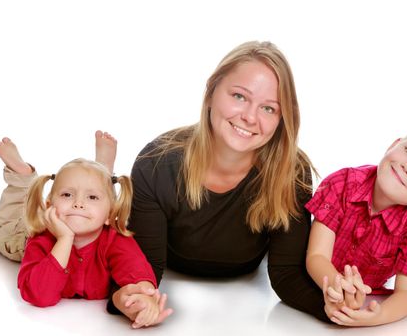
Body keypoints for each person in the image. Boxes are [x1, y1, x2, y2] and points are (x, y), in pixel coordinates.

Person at [108, 40, 332, 322]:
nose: (250, 117)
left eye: (269, 109)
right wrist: (131, 297)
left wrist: (336, 309)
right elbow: (142, 267)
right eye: (239, 96)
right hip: (173, 267)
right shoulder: (157, 163)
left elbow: (286, 273)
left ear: (282, 119)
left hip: (245, 283)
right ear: (211, 91)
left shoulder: (291, 172)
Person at [0, 132, 171, 328]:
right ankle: (22, 177)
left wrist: (145, 298)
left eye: (91, 197)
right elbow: (39, 296)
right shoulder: (39, 240)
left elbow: (136, 272)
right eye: (67, 195)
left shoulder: (117, 240)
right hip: (24, 232)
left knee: (94, 191)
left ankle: (102, 173)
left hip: (90, 214)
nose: (78, 204)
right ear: (49, 204)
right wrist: (64, 239)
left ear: (111, 214)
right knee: (1, 229)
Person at [305, 124, 407, 326]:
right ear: (394, 145)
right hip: (318, 278)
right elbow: (316, 256)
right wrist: (339, 287)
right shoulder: (343, 183)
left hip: (366, 293)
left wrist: (378, 316)